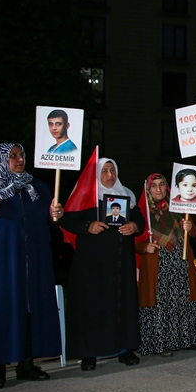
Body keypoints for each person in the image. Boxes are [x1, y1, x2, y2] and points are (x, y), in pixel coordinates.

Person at [0, 143, 63, 390]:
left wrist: (54, 215)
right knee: (1, 310)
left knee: (30, 309)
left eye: (21, 155)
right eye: (12, 156)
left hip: (34, 258)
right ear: (0, 160)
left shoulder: (36, 187)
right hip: (0, 260)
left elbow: (49, 221)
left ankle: (27, 364)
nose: (19, 159)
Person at [61, 158, 143, 371]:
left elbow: (140, 221)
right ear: (97, 174)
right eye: (105, 170)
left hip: (120, 264)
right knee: (92, 306)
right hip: (91, 265)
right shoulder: (86, 196)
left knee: (121, 304)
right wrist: (88, 226)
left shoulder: (126, 195)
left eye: (113, 170)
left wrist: (134, 226)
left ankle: (125, 349)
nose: (109, 174)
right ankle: (89, 353)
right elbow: (67, 220)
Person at [135, 173, 196, 357]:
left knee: (183, 296)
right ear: (148, 189)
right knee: (161, 300)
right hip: (157, 260)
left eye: (162, 185)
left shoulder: (178, 205)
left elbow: (192, 233)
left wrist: (190, 227)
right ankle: (162, 343)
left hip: (179, 258)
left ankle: (189, 339)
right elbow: (134, 239)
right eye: (154, 186)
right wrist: (145, 246)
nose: (158, 189)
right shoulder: (143, 210)